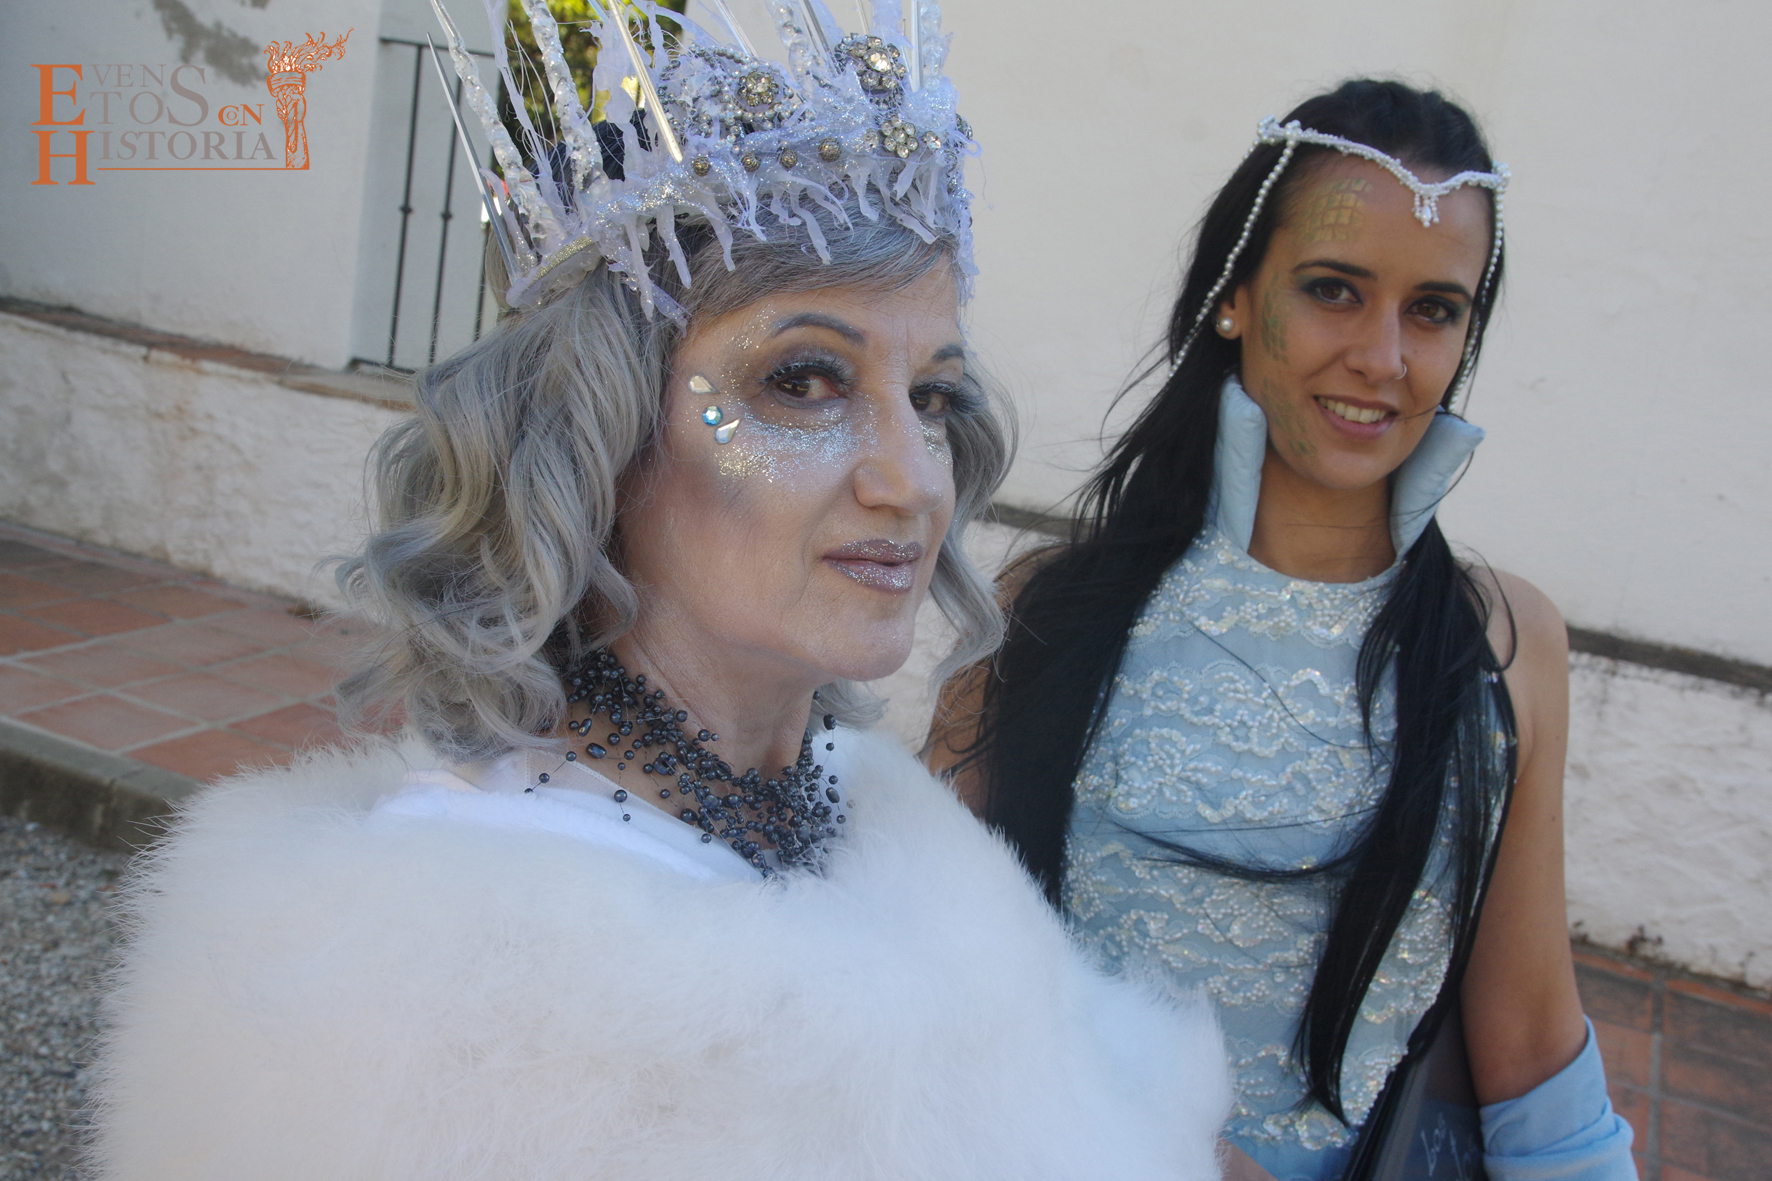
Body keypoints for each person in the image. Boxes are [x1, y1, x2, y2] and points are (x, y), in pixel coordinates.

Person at [88, 3, 1230, 1178]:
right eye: (803, 381)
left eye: (930, 397)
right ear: (603, 440)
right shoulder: (439, 990)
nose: (910, 480)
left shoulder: (881, 815)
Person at [932, 81, 1636, 1181]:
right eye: (1333, 290)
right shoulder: (1045, 612)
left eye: (1433, 310)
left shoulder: (1504, 646)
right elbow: (929, 966)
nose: (1382, 357)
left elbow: (1533, 1046)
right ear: (1234, 294)